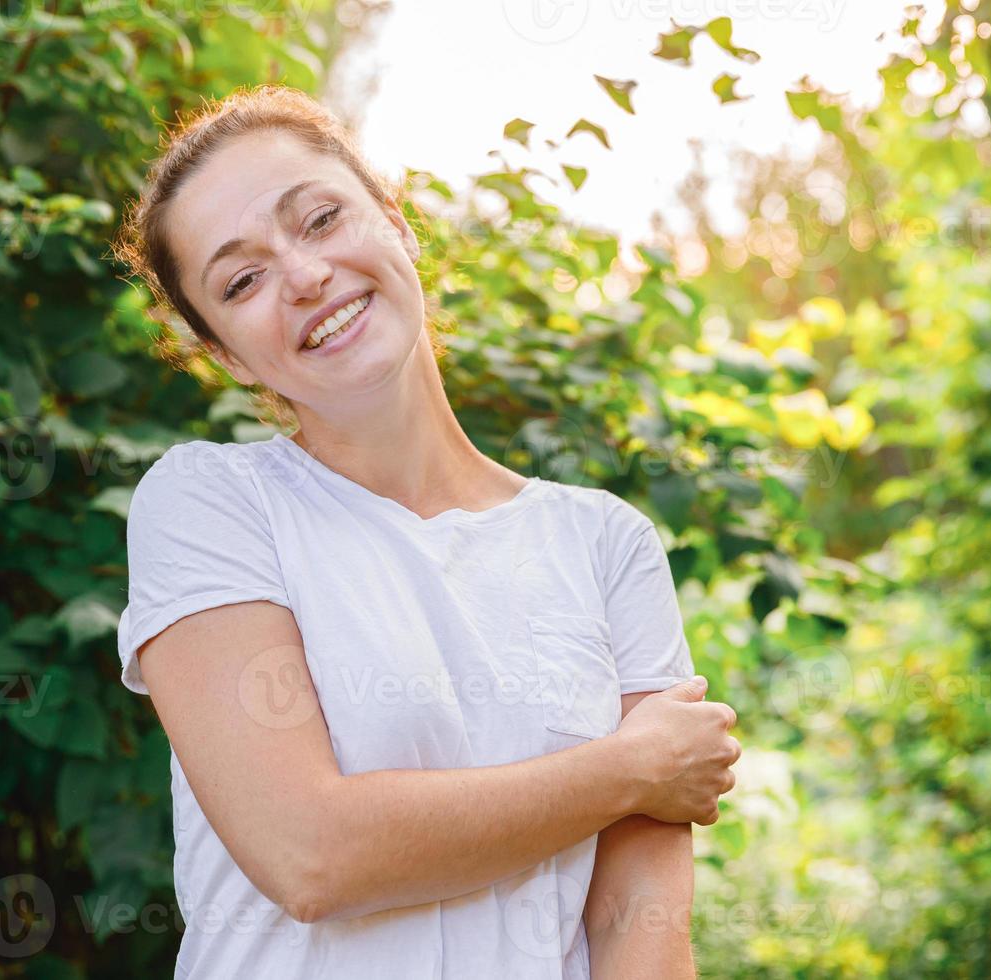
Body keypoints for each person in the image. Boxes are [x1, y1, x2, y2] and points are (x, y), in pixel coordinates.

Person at [111, 84, 741, 980]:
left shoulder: (606, 544)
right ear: (222, 350)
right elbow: (311, 855)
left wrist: (637, 774)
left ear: (397, 222)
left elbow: (636, 933)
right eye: (241, 280)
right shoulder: (211, 504)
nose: (303, 275)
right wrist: (631, 770)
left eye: (321, 219)